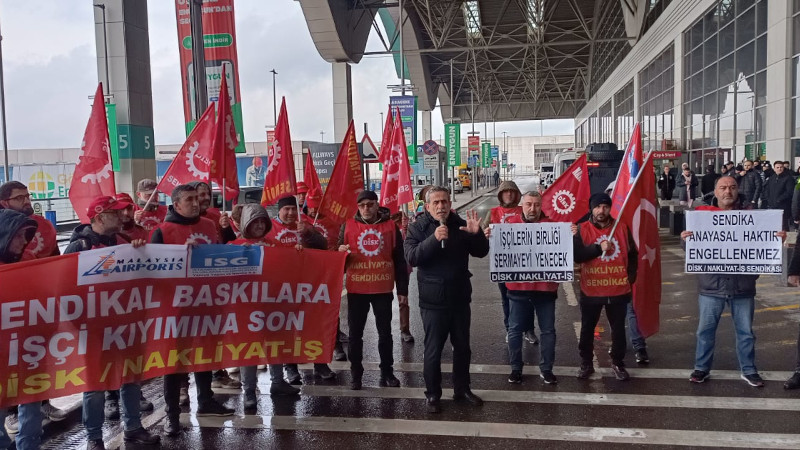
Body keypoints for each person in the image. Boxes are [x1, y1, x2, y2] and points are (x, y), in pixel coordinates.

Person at [62, 196, 160, 450]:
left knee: (130, 378)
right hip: (94, 329)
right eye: (114, 213)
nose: (122, 216)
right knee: (95, 385)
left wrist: (140, 253)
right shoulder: (79, 247)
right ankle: (94, 438)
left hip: (125, 325)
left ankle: (133, 429)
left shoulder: (125, 242)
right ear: (99, 217)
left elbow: (145, 277)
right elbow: (64, 290)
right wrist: (80, 326)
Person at [680, 176, 785, 386]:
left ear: (738, 190)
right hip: (711, 286)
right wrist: (685, 241)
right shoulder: (701, 215)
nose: (728, 191)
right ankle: (701, 368)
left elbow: (762, 245)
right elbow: (692, 250)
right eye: (723, 187)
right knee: (705, 331)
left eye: (732, 187)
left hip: (742, 285)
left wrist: (776, 240)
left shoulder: (752, 215)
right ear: (716, 191)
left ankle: (749, 370)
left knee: (746, 333)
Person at [151, 184, 235, 436]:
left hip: (205, 303)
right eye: (189, 199)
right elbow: (152, 271)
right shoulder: (162, 232)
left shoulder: (209, 226)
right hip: (175, 308)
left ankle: (206, 401)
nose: (195, 203)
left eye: (197, 198)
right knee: (173, 361)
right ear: (176, 205)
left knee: (205, 353)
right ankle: (172, 414)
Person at [404, 186, 489, 413]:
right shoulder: (417, 228)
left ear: (450, 203)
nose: (441, 206)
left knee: (462, 348)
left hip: (459, 298)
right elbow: (412, 257)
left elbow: (481, 252)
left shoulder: (460, 224)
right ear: (427, 206)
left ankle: (462, 389)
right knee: (433, 350)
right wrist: (433, 239)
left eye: (444, 201)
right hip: (433, 302)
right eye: (436, 202)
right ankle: (433, 394)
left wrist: (477, 234)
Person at [0, 182, 68, 436]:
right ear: (5, 202)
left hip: (38, 306)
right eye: (20, 198)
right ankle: (11, 412)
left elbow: (56, 260)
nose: (27, 201)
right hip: (10, 315)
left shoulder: (44, 226)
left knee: (37, 358)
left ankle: (42, 402)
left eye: (27, 196)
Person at [228, 204, 301, 407]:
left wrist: (297, 252)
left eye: (262, 221)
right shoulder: (234, 245)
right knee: (248, 349)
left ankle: (278, 382)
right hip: (246, 308)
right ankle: (249, 391)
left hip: (272, 304)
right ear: (246, 223)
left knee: (275, 343)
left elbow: (289, 266)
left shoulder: (274, 244)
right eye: (255, 222)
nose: (260, 225)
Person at [338, 191, 409, 390]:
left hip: (382, 288)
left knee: (385, 333)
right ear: (357, 207)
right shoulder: (347, 226)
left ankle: (387, 372)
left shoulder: (391, 227)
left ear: (377, 205)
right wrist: (340, 252)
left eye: (370, 204)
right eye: (362, 205)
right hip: (357, 289)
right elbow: (338, 257)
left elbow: (400, 260)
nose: (366, 209)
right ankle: (356, 374)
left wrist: (402, 290)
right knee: (355, 335)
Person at [573, 193, 638, 381]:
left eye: (605, 207)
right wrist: (598, 248)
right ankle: (586, 362)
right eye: (597, 207)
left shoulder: (622, 228)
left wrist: (630, 277)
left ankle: (618, 362)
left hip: (618, 289)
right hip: (591, 289)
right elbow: (577, 255)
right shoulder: (581, 229)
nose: (601, 210)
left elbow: (632, 254)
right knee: (587, 328)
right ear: (591, 209)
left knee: (618, 329)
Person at [0, 209, 45, 450]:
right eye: (18, 236)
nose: (23, 241)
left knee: (32, 401)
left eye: (25, 236)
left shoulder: (29, 260)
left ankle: (29, 445)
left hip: (29, 346)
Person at [504, 191, 559, 385]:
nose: (532, 208)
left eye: (536, 204)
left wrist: (571, 237)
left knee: (548, 331)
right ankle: (516, 369)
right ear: (522, 205)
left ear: (541, 206)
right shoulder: (509, 225)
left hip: (545, 289)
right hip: (518, 288)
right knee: (515, 330)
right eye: (529, 204)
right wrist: (490, 238)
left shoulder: (553, 226)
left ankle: (547, 369)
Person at [481, 181, 537, 345]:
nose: (509, 194)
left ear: (517, 194)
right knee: (506, 299)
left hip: (525, 263)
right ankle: (510, 329)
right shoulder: (493, 213)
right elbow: (482, 235)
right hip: (503, 264)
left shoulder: (523, 210)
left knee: (528, 298)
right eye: (506, 191)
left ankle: (529, 329)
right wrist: (484, 233)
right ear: (500, 194)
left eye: (512, 191)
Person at [762, 161, 795, 231]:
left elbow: (789, 192)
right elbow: (767, 190)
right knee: (773, 225)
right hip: (772, 205)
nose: (779, 169)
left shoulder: (788, 178)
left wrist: (779, 199)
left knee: (783, 225)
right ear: (774, 169)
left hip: (783, 205)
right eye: (777, 167)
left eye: (781, 167)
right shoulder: (771, 178)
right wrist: (768, 199)